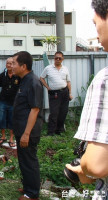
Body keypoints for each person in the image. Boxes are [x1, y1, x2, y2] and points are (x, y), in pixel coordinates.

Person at [66, 0, 108, 199]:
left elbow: (96, 165)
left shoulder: (105, 79)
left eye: (95, 22)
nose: (96, 30)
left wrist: (83, 170)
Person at [12, 51, 43, 200]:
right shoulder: (23, 80)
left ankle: (32, 194)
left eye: (14, 63)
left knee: (29, 161)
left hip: (28, 131)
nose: (11, 66)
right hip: (21, 128)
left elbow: (35, 109)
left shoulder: (33, 82)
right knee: (23, 160)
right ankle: (27, 187)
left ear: (23, 66)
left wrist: (26, 134)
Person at [40, 51, 73, 136]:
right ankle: (51, 132)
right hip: (54, 93)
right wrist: (48, 87)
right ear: (54, 58)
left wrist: (70, 93)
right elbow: (41, 78)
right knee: (54, 113)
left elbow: (68, 81)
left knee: (63, 112)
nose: (58, 59)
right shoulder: (48, 68)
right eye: (56, 58)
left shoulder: (65, 69)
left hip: (65, 92)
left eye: (60, 58)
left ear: (62, 59)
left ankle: (59, 130)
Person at [0, 57, 20, 148]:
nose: (9, 65)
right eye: (7, 63)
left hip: (14, 102)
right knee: (0, 119)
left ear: (14, 64)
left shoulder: (18, 76)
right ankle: (3, 136)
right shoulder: (2, 75)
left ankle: (11, 138)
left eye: (11, 63)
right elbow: (1, 86)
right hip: (3, 101)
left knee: (12, 119)